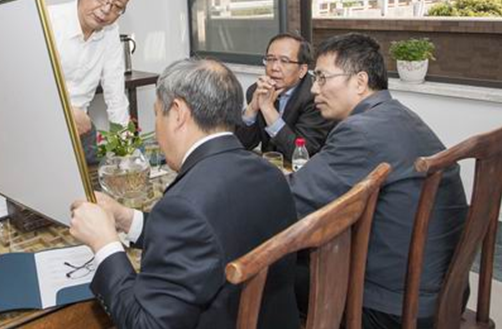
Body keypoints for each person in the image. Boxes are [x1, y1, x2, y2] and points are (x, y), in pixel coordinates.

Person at [70, 58, 299, 329]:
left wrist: (105, 244)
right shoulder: (270, 173)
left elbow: (146, 325)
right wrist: (126, 218)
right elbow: (208, 235)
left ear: (178, 113)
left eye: (157, 114)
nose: (157, 127)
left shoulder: (184, 207)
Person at [289, 33, 468, 329]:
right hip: (446, 293)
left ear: (360, 82)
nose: (314, 89)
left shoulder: (361, 131)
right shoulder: (400, 115)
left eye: (321, 78)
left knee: (270, 270)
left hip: (394, 309)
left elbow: (294, 202)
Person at [47, 0, 132, 163]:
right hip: (42, 129)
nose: (106, 10)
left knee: (96, 181)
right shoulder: (49, 20)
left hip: (81, 132)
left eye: (117, 6)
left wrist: (125, 151)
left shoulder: (110, 32)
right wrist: (67, 112)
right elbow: (24, 84)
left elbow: (115, 94)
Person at [235, 32, 333, 160]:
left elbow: (301, 155)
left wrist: (268, 110)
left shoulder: (316, 97)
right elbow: (241, 145)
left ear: (302, 70)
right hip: (270, 166)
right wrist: (252, 110)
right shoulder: (257, 91)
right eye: (270, 59)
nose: (274, 67)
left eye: (284, 61)